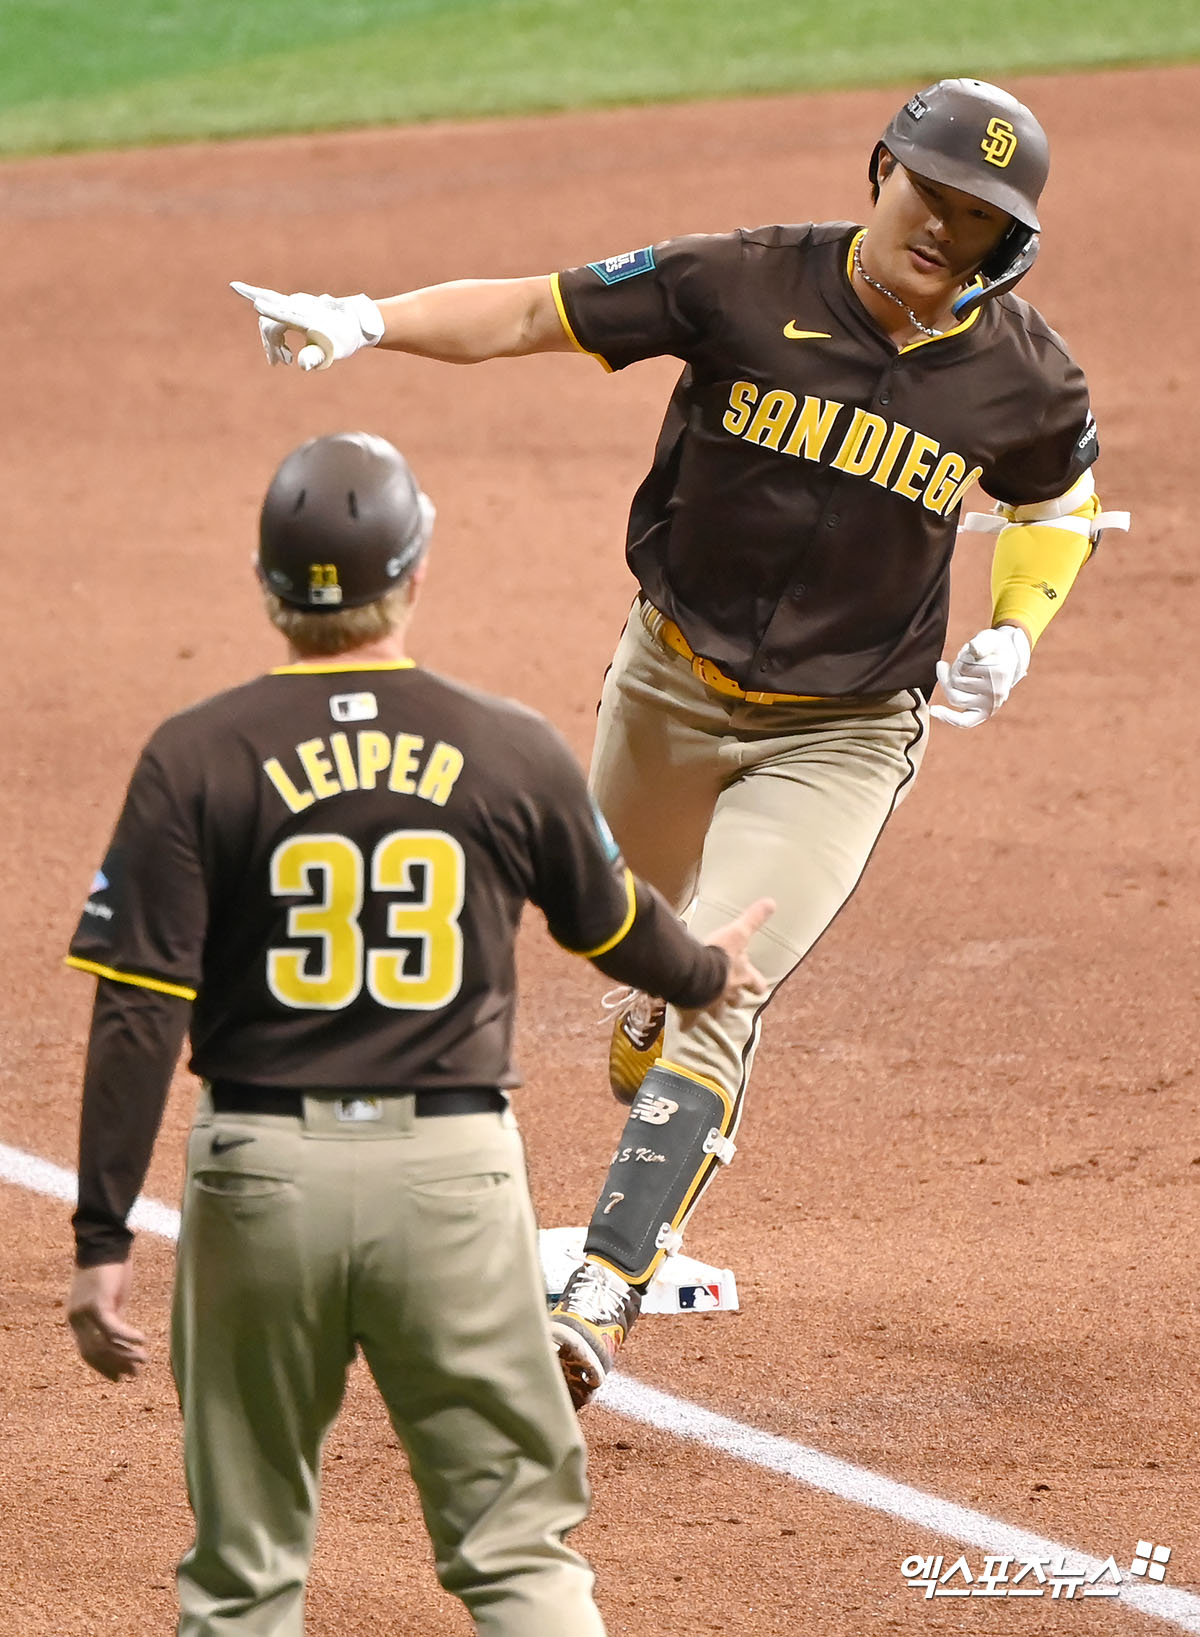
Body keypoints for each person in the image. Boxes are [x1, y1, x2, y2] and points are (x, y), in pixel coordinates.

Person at [231, 78, 1129, 1409]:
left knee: (726, 973)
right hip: (669, 683)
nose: (943, 230)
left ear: (1011, 243)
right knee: (629, 931)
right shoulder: (737, 280)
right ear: (879, 170)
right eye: (927, 194)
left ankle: (608, 1281)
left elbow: (1059, 501)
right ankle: (651, 988)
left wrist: (1019, 627)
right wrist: (369, 321)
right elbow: (539, 309)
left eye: (978, 220)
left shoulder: (1025, 377)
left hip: (845, 727)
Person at [63, 430, 772, 1637]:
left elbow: (138, 1008)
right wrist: (708, 969)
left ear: (265, 581)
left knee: (243, 1574)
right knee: (516, 1552)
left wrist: (99, 1234)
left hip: (258, 1179)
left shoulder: (194, 754)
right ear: (419, 567)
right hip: (451, 1180)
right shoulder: (503, 744)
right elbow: (615, 931)